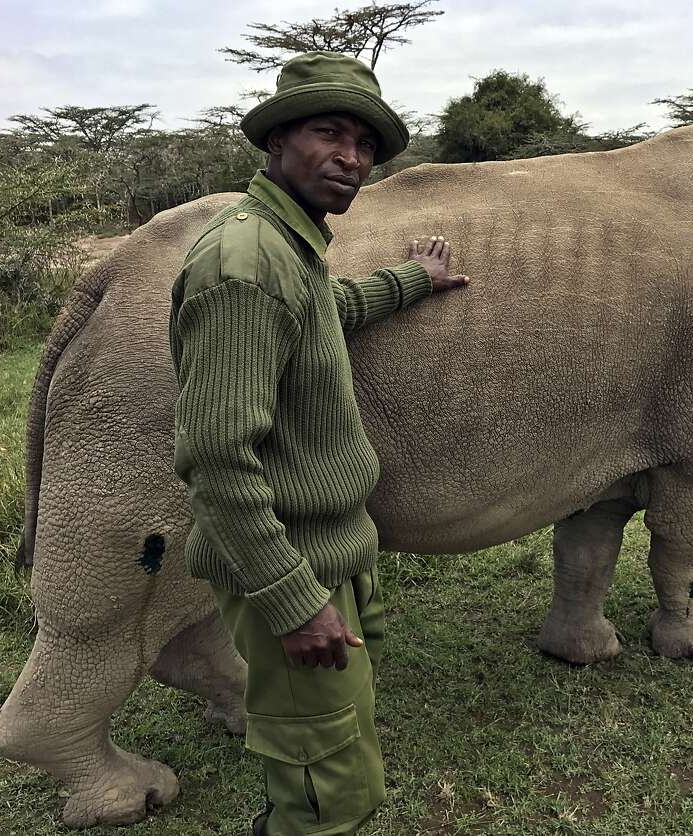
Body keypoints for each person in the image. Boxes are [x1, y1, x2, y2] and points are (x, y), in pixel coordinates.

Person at [168, 51, 469, 836]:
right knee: (324, 787)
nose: (351, 158)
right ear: (277, 143)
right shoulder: (245, 260)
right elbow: (216, 458)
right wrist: (295, 603)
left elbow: (318, 311)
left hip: (321, 554)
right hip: (291, 568)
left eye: (365, 145)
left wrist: (409, 281)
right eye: (328, 133)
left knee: (332, 749)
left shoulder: (284, 244)